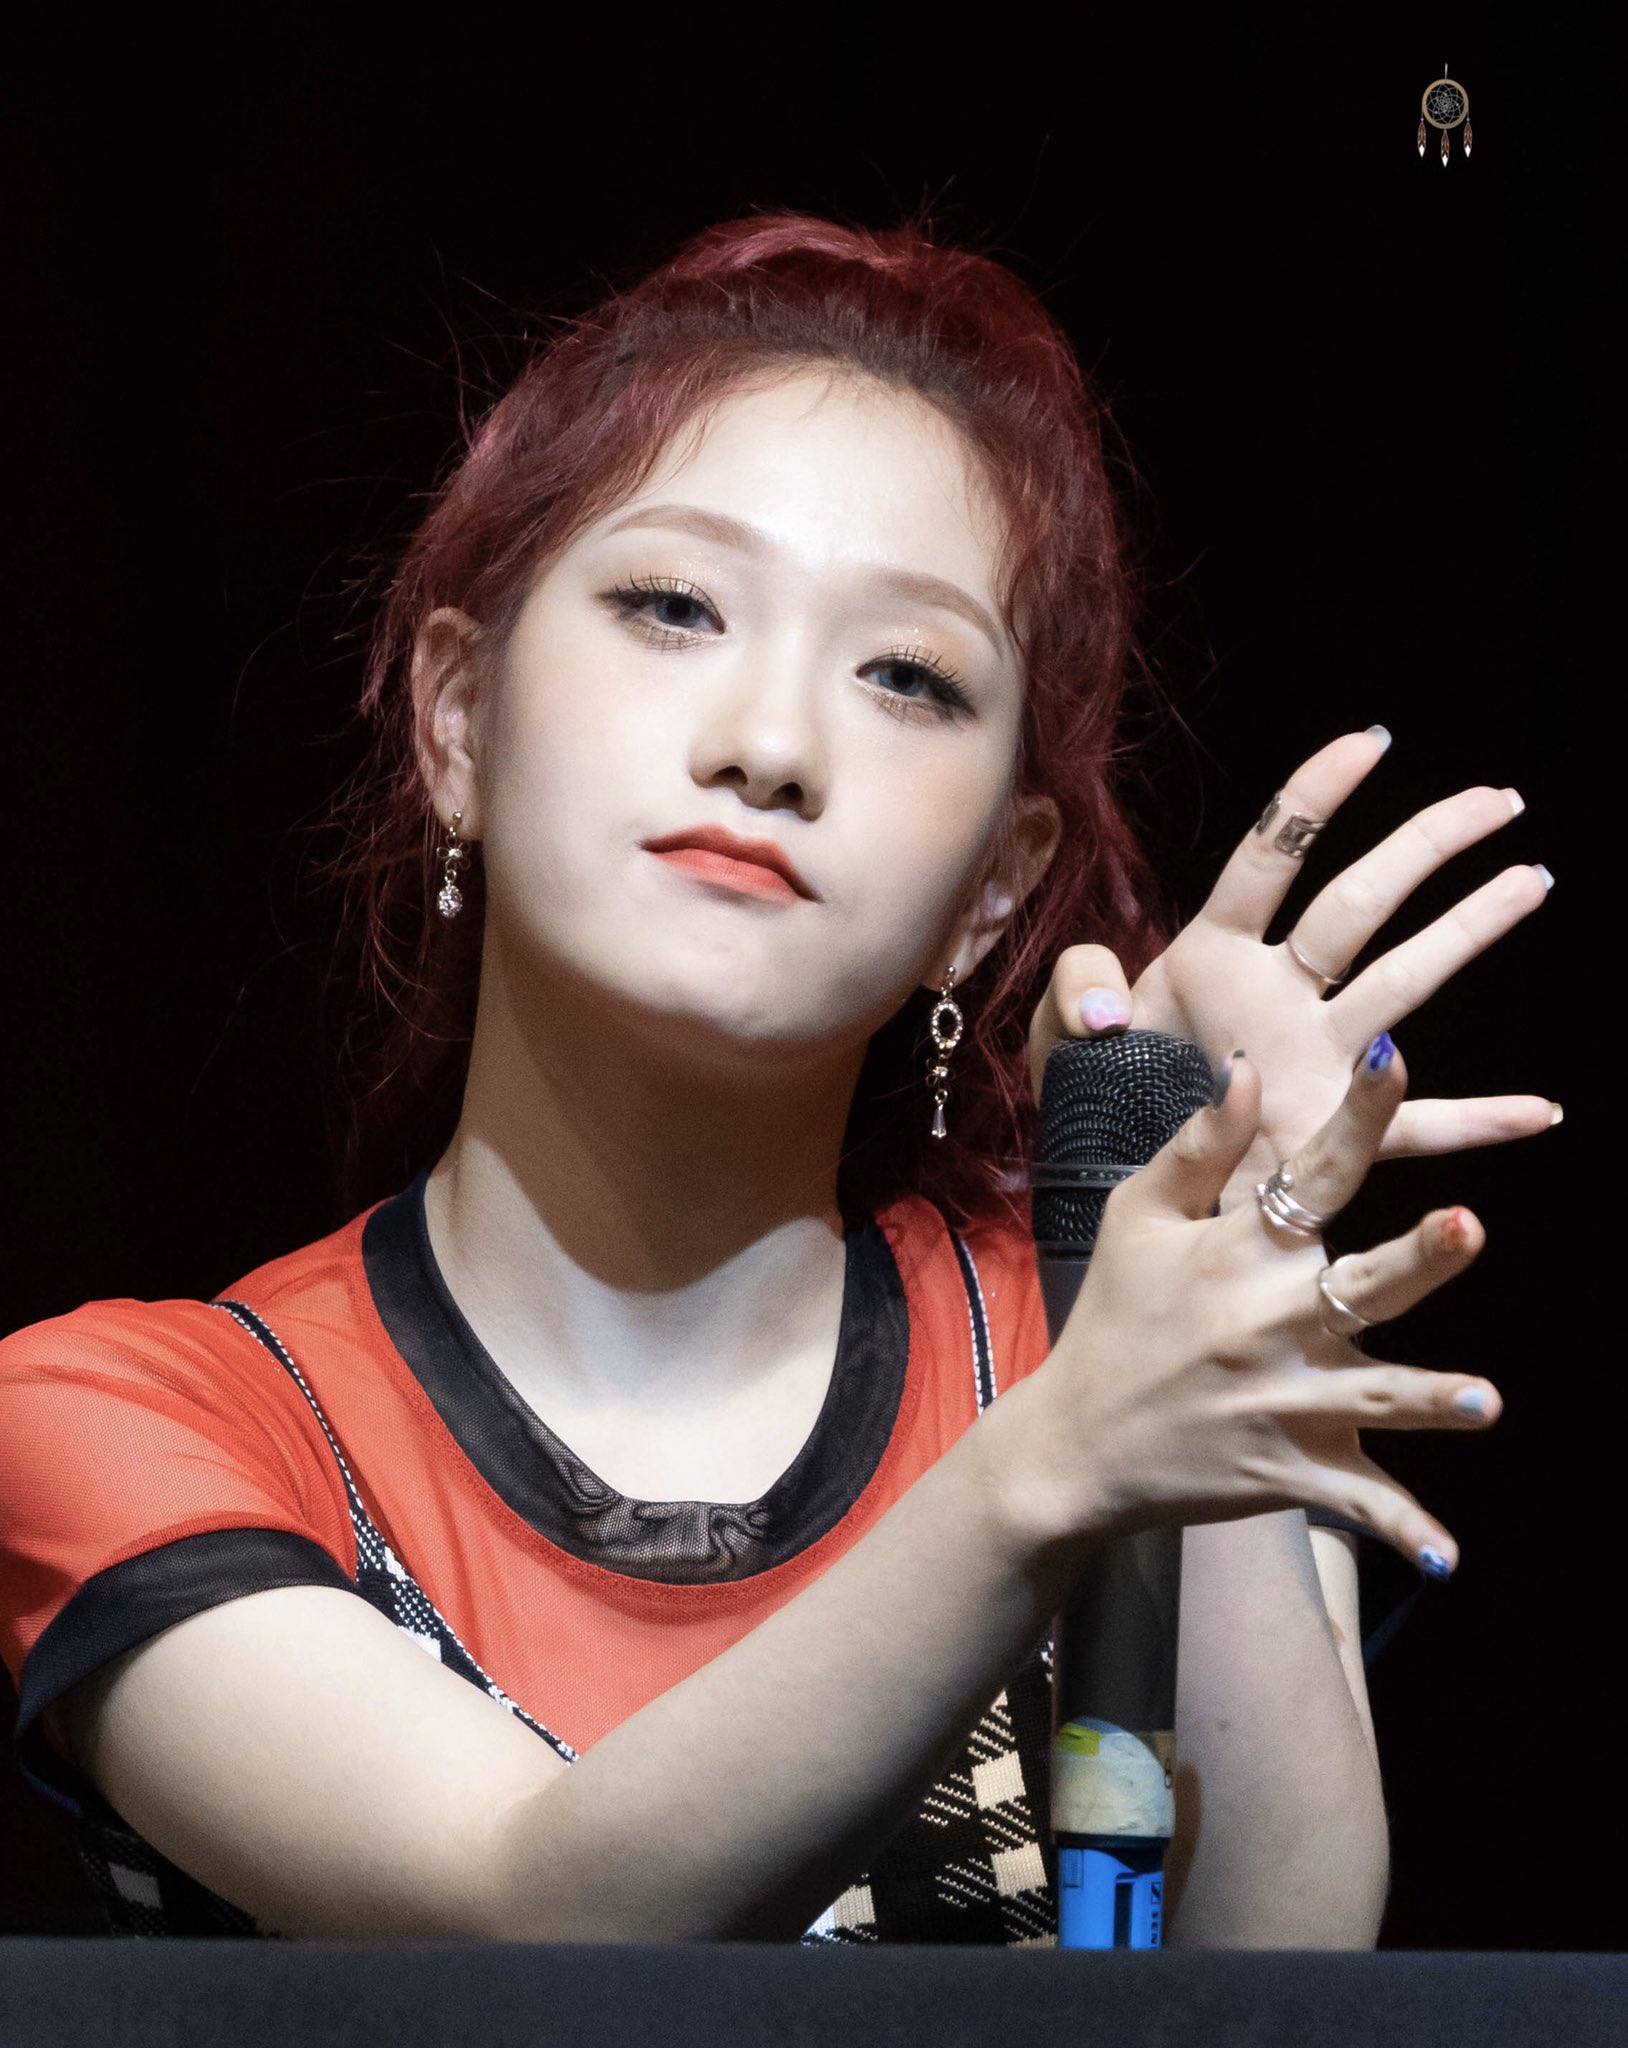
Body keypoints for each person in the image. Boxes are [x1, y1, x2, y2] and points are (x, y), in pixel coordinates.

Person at [0, 211, 1557, 1948]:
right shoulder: (139, 1420)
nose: (772, 744)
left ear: (994, 889)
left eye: (907, 676)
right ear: (457, 721)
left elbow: (1274, 1976)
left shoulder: (1086, 1346)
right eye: (674, 606)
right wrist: (1055, 1470)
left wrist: (1181, 1223)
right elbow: (526, 1920)